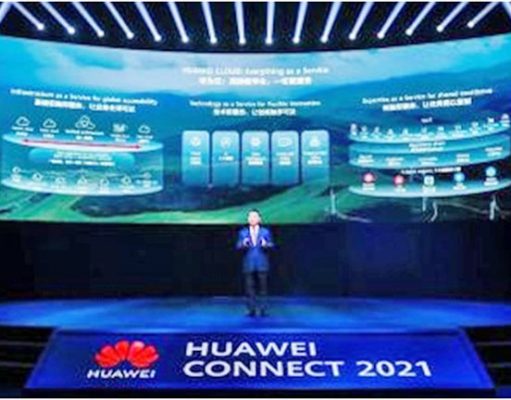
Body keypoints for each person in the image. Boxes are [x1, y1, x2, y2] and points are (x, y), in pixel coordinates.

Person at [236, 209, 274, 317]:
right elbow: (238, 246)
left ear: (259, 219)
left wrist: (266, 244)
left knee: (263, 288)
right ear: (248, 219)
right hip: (249, 263)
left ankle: (263, 310)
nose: (252, 219)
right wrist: (243, 244)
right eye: (250, 217)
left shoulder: (265, 232)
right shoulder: (243, 232)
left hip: (262, 263)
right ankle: (251, 310)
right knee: (249, 288)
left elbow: (272, 245)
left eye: (255, 216)